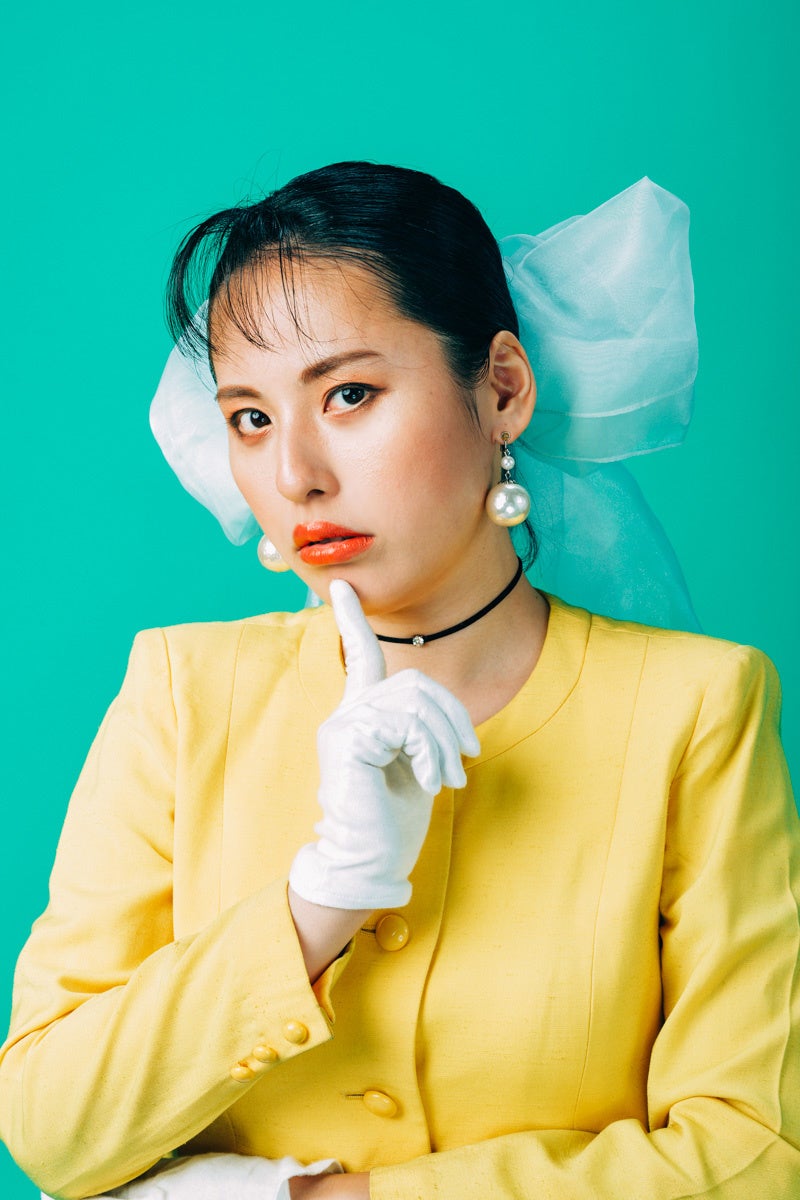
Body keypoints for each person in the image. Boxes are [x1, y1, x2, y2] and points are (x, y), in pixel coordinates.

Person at [0, 161, 798, 1200]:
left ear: (502, 389)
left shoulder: (694, 710)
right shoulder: (182, 693)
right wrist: (319, 900)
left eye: (348, 394)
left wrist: (314, 1198)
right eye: (249, 418)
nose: (295, 475)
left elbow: (754, 1152)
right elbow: (50, 1129)